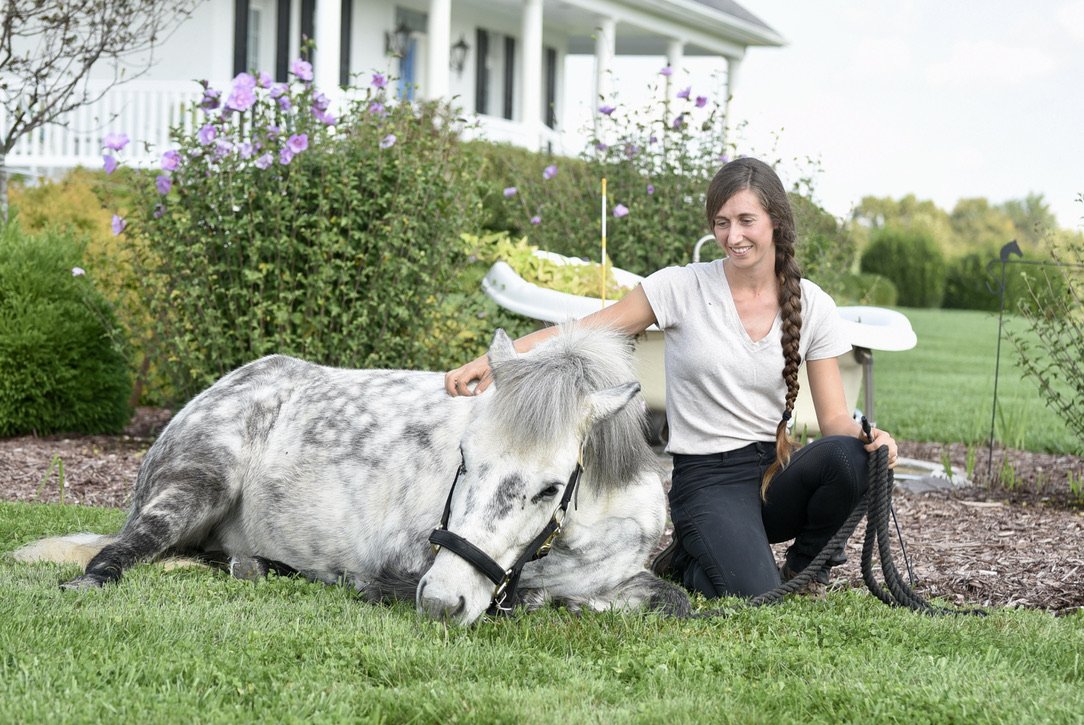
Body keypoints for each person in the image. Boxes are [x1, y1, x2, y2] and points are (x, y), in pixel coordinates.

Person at [444, 157, 899, 599]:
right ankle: (687, 557)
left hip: (772, 474)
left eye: (746, 220)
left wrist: (873, 437)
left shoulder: (814, 304)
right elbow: (589, 327)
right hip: (707, 479)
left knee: (851, 458)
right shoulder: (681, 287)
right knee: (755, 594)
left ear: (775, 221)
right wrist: (500, 359)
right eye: (721, 222)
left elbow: (835, 418)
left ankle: (805, 570)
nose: (733, 236)